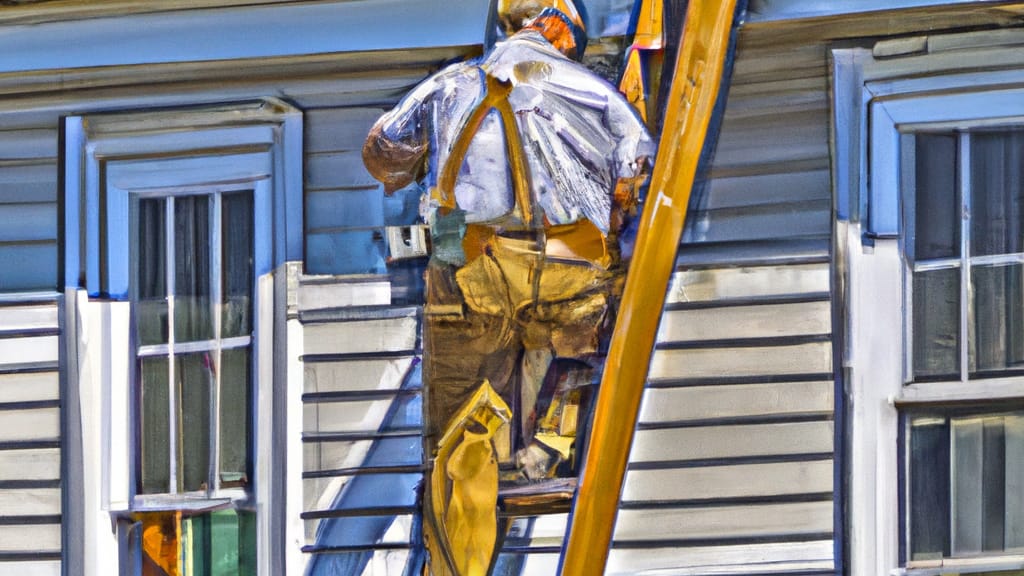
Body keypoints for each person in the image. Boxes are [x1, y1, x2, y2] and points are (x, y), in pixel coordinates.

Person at [363, 1, 653, 572]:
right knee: (586, 344)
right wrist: (606, 204)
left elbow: (381, 154)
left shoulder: (450, 84)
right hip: (565, 271)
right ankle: (551, 446)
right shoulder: (587, 89)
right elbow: (638, 163)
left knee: (458, 434)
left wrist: (436, 158)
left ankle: (459, 556)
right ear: (554, 23)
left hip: (471, 270)